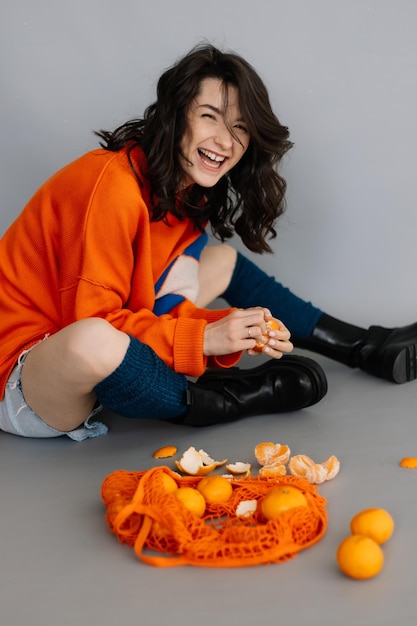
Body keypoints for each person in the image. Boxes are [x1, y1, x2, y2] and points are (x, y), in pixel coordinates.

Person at [0, 44, 413, 441]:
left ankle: (362, 346)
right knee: (94, 338)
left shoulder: (183, 193)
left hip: (99, 344)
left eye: (239, 127)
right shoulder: (112, 186)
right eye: (210, 116)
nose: (225, 141)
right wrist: (206, 339)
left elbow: (154, 306)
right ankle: (215, 401)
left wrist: (238, 330)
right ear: (175, 116)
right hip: (28, 375)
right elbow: (97, 324)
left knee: (219, 261)